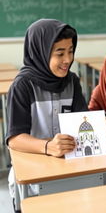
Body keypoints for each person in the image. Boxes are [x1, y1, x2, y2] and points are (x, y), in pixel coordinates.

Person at [6, 19, 88, 212]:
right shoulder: (22, 86)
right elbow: (15, 139)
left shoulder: (72, 81)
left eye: (70, 51)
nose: (68, 59)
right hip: (32, 175)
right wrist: (47, 146)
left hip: (68, 169)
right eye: (60, 53)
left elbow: (81, 119)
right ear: (40, 53)